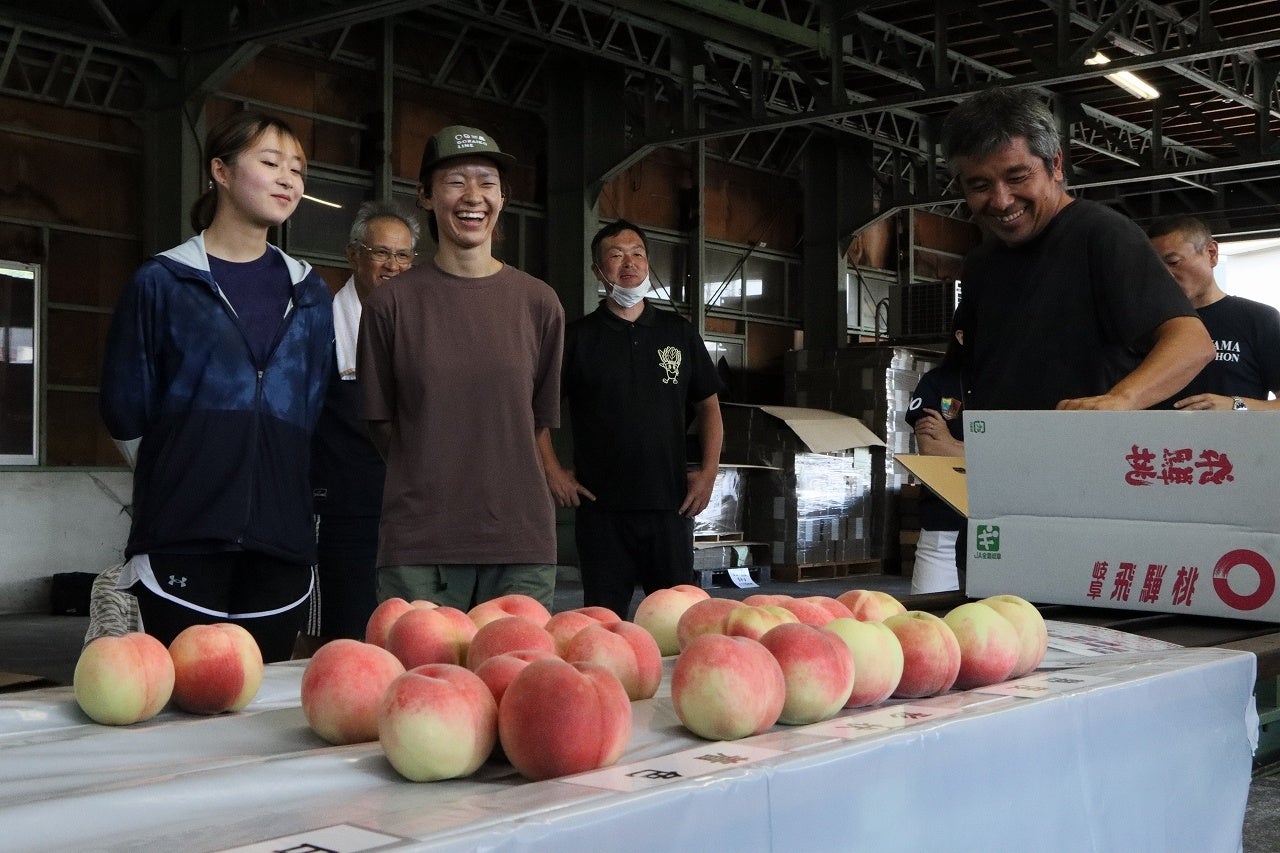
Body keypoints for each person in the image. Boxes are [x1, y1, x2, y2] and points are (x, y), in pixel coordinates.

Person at [100, 111, 334, 663]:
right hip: (182, 536)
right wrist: (184, 471)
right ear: (221, 172)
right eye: (271, 163)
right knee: (180, 712)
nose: (288, 180)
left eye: (297, 170)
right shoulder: (162, 283)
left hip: (280, 541)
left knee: (262, 722)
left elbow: (311, 406)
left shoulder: (311, 294)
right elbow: (123, 409)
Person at [358, 125, 564, 612]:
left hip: (519, 547)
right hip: (419, 549)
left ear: (503, 197)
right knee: (420, 687)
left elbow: (535, 420)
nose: (473, 196)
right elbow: (381, 423)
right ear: (426, 197)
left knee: (516, 685)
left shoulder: (540, 303)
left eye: (487, 182)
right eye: (455, 181)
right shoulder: (391, 305)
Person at [940, 86, 1215, 412]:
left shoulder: (1102, 235)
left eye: (1017, 177)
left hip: (1092, 456)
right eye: (980, 185)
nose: (1001, 200)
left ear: (1055, 165)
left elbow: (1192, 343)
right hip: (1006, 454)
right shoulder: (981, 264)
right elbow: (962, 374)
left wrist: (1121, 399)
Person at [538, 219, 724, 618]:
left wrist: (708, 472)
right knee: (602, 625)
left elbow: (709, 407)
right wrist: (553, 472)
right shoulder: (578, 338)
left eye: (637, 253)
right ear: (598, 271)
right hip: (602, 512)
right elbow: (538, 410)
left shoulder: (678, 332)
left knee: (678, 621)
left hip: (670, 508)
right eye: (616, 254)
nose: (629, 262)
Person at [307, 201, 420, 645]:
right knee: (344, 634)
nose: (394, 266)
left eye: (404, 256)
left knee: (407, 634)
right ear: (353, 255)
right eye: (381, 253)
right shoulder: (322, 325)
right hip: (342, 511)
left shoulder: (418, 326)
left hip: (409, 514)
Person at [1146, 215, 1280, 411]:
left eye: (1174, 262)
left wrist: (1236, 406)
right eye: (1157, 267)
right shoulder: (1144, 324)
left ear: (1212, 253)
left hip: (1231, 440)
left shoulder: (1258, 319)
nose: (1165, 275)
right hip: (1153, 441)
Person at [904, 323, 965, 595]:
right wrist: (986, 453)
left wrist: (950, 442)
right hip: (942, 528)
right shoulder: (936, 383)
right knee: (929, 621)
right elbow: (930, 451)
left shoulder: (1009, 384)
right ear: (961, 336)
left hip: (999, 528)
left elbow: (1017, 455)